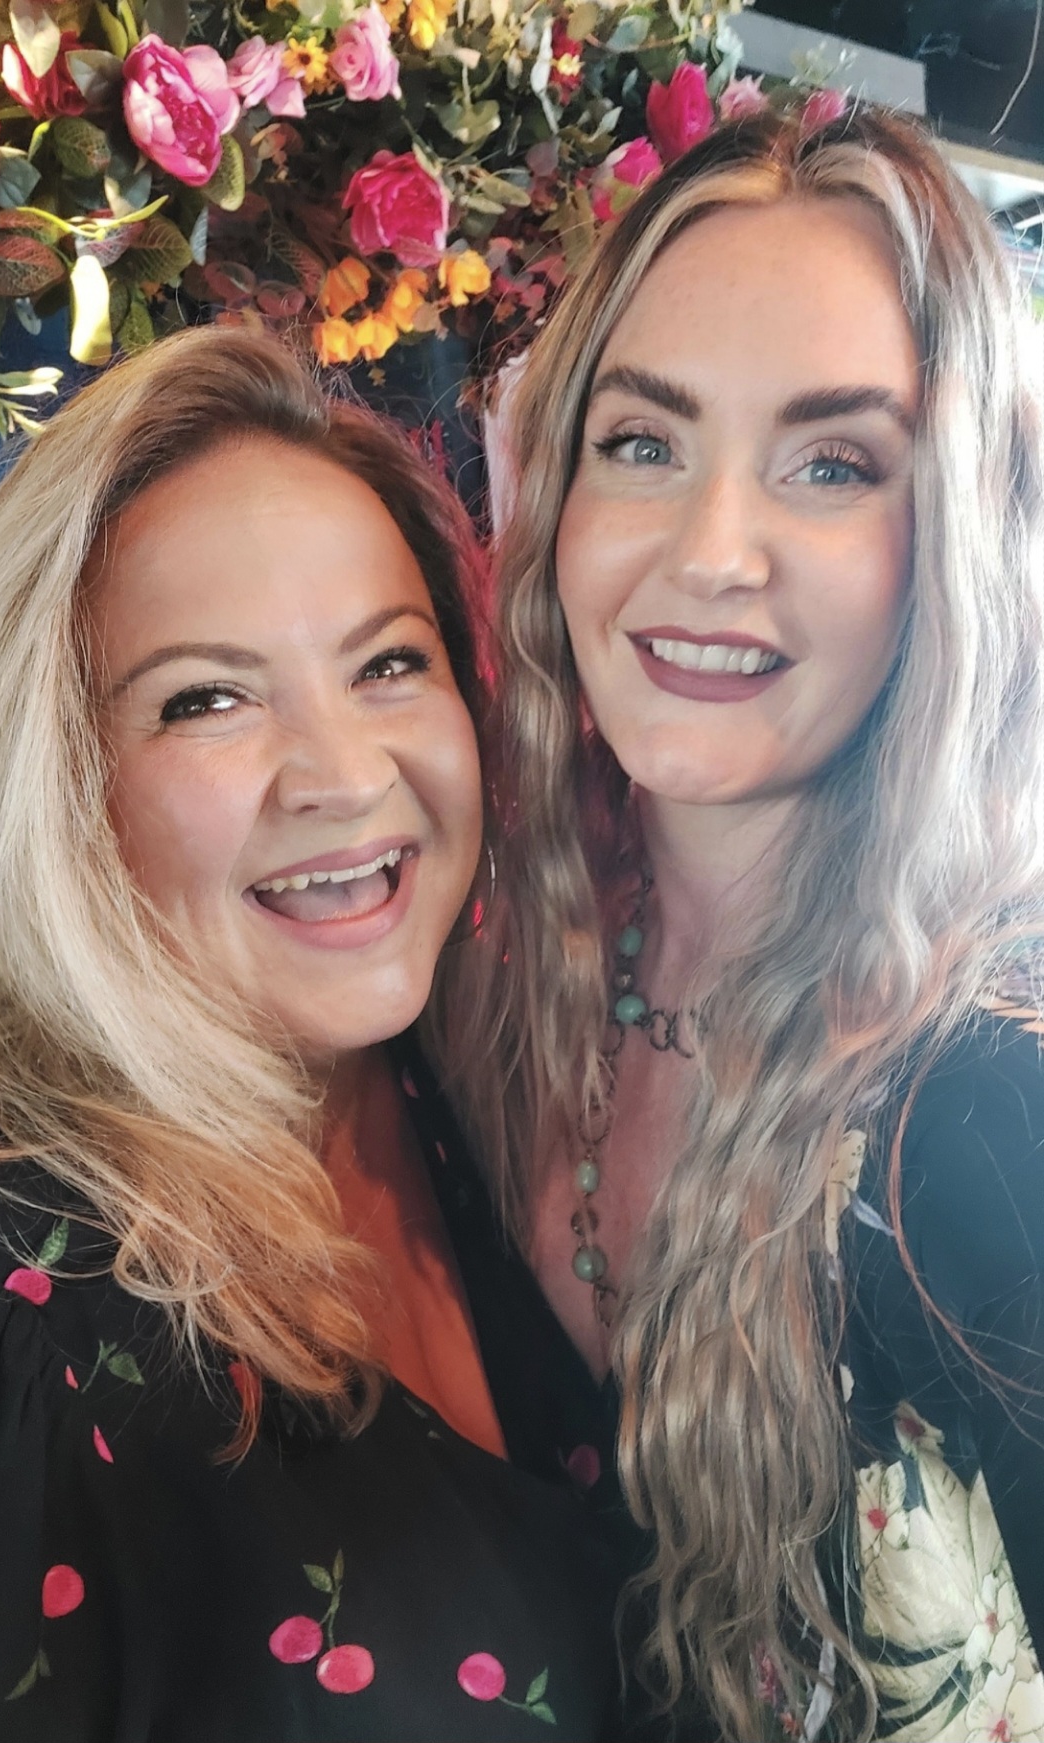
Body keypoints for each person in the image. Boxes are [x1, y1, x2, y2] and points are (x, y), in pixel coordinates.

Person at [434, 105, 1044, 1741]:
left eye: (832, 464)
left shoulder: (990, 1111)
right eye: (644, 442)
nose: (711, 554)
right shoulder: (489, 979)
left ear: (958, 537)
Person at [0, 325, 617, 1742]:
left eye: (388, 663)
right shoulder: (22, 1324)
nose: (342, 774)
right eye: (207, 698)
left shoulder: (480, 1101)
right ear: (60, 783)